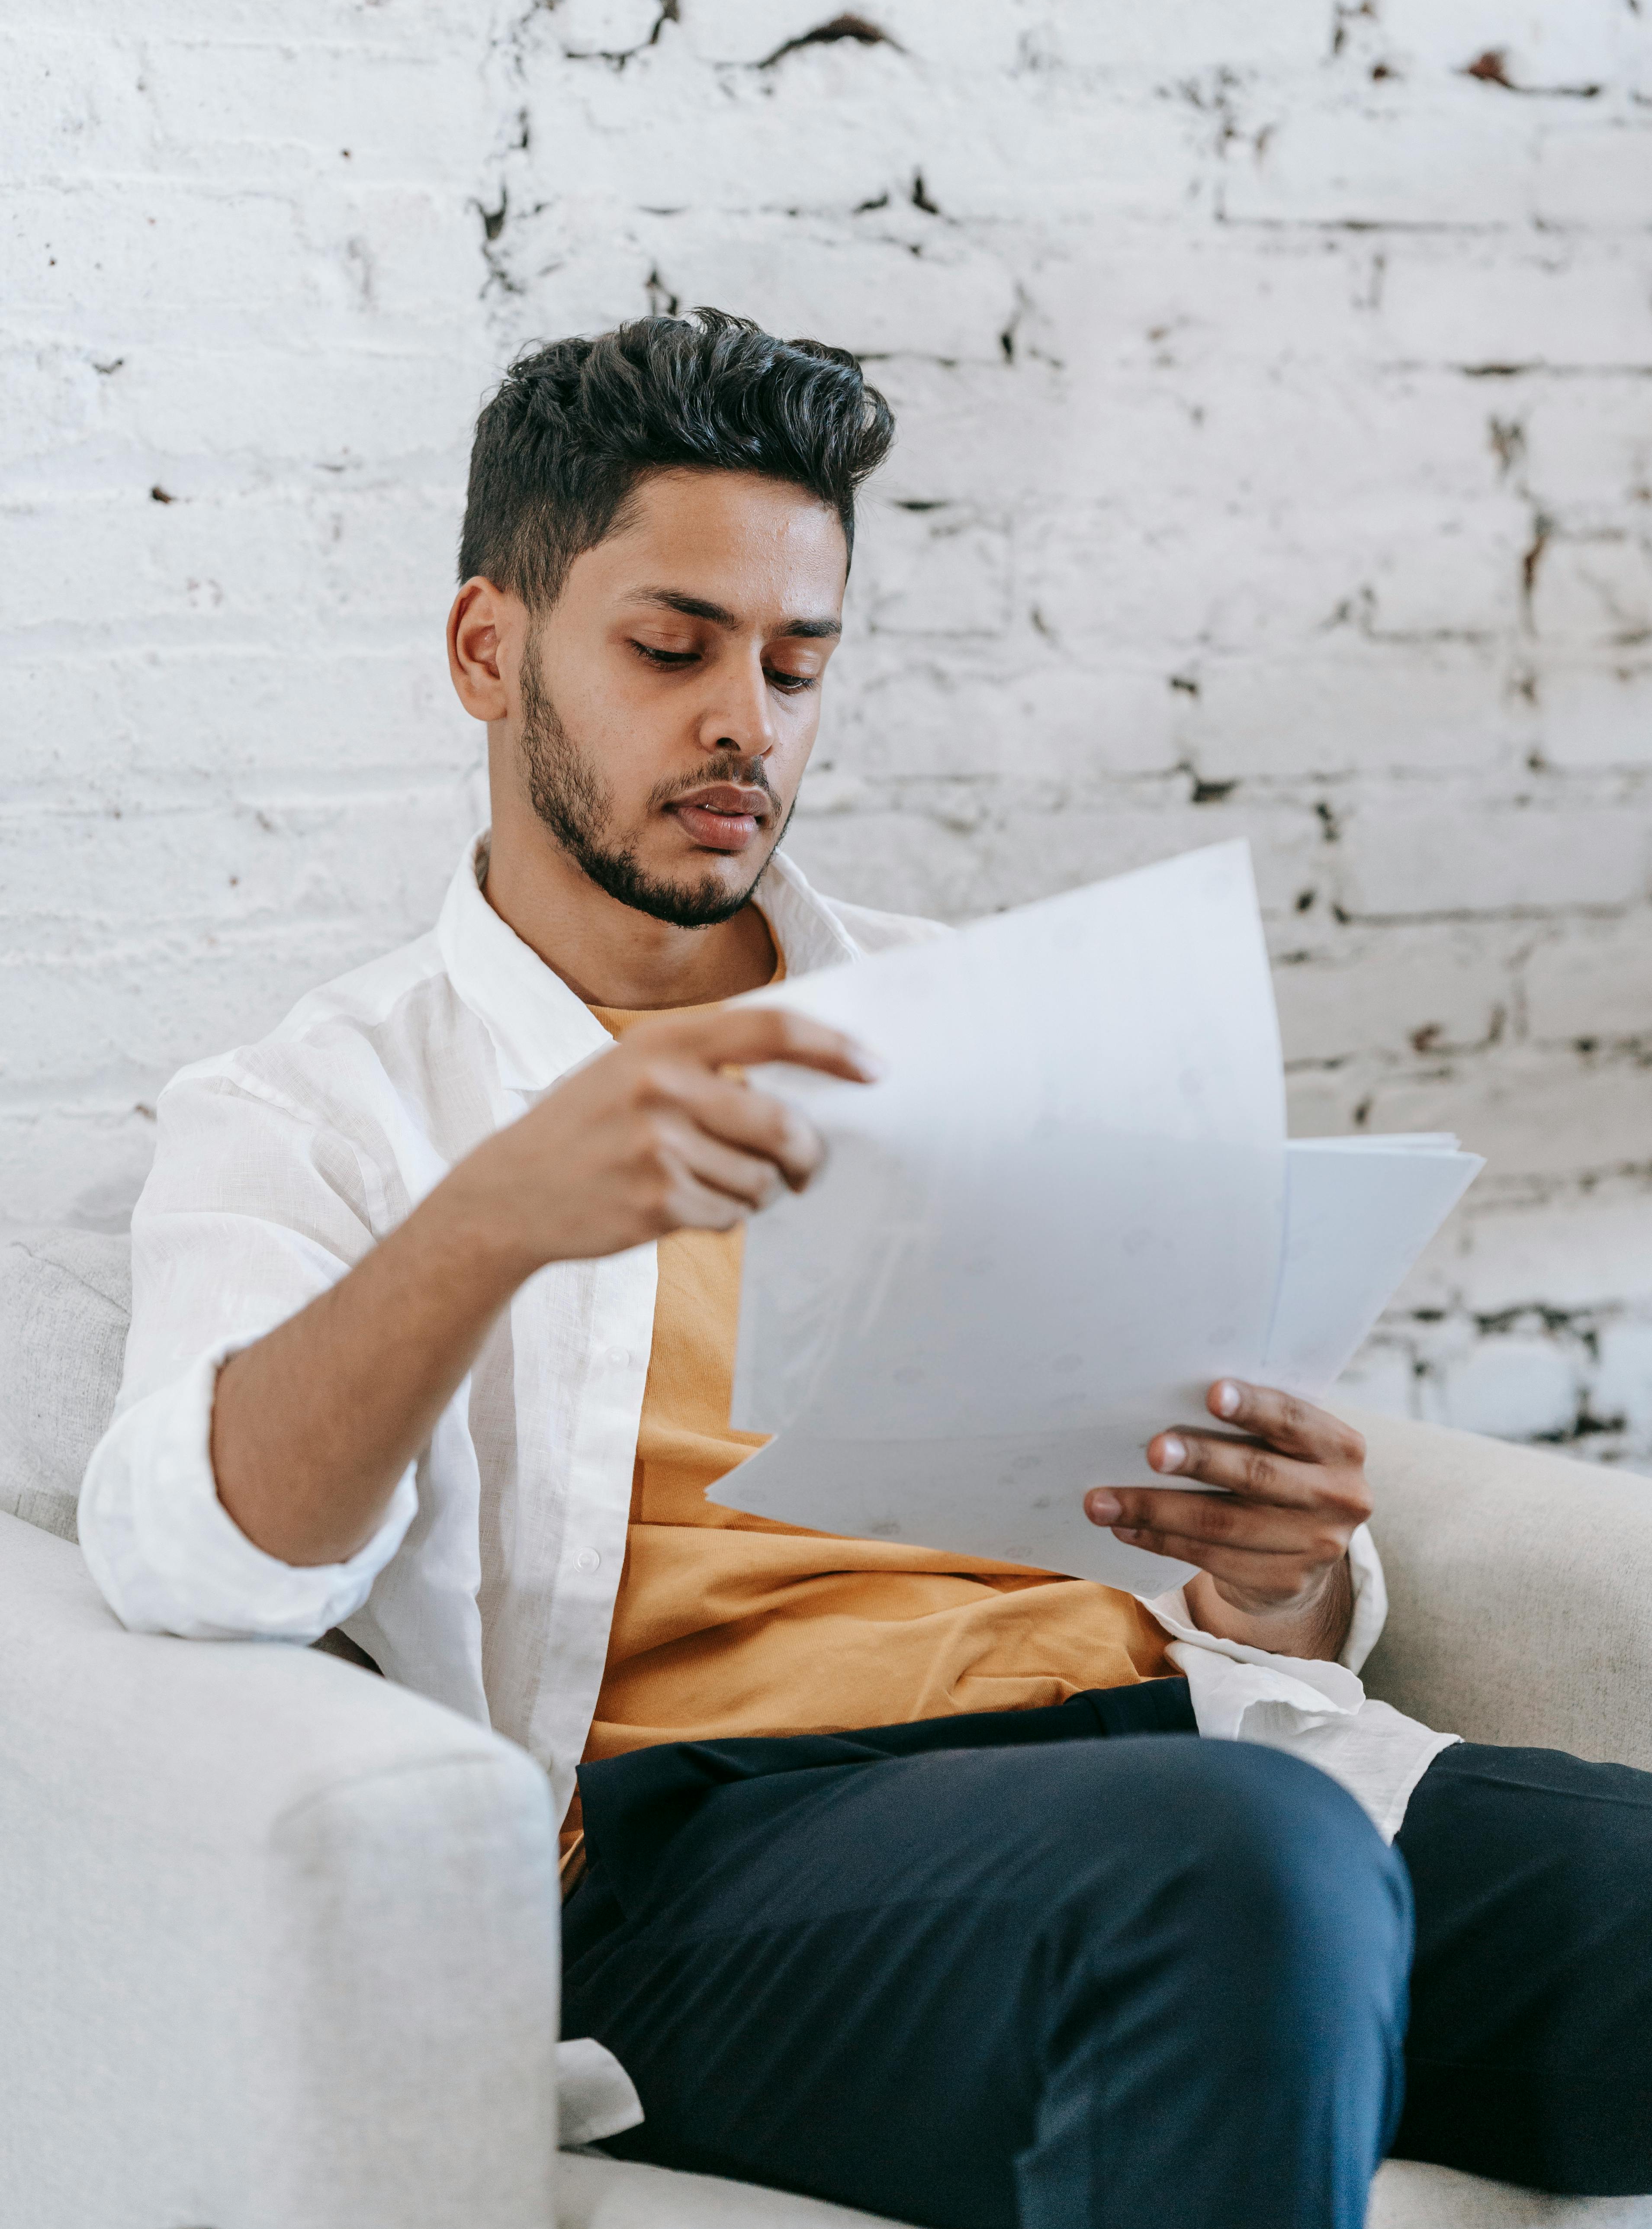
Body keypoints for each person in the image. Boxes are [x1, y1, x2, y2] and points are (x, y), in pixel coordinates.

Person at [80, 312, 1652, 2229]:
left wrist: (1285, 1572)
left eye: (796, 662)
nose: (745, 717)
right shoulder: (330, 1102)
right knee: (1240, 1870)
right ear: (488, 650)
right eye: (671, 649)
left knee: (1371, 1856)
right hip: (719, 1860)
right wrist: (495, 1212)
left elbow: (1186, 1531)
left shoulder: (986, 1024)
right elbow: (188, 1553)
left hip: (1182, 1750)